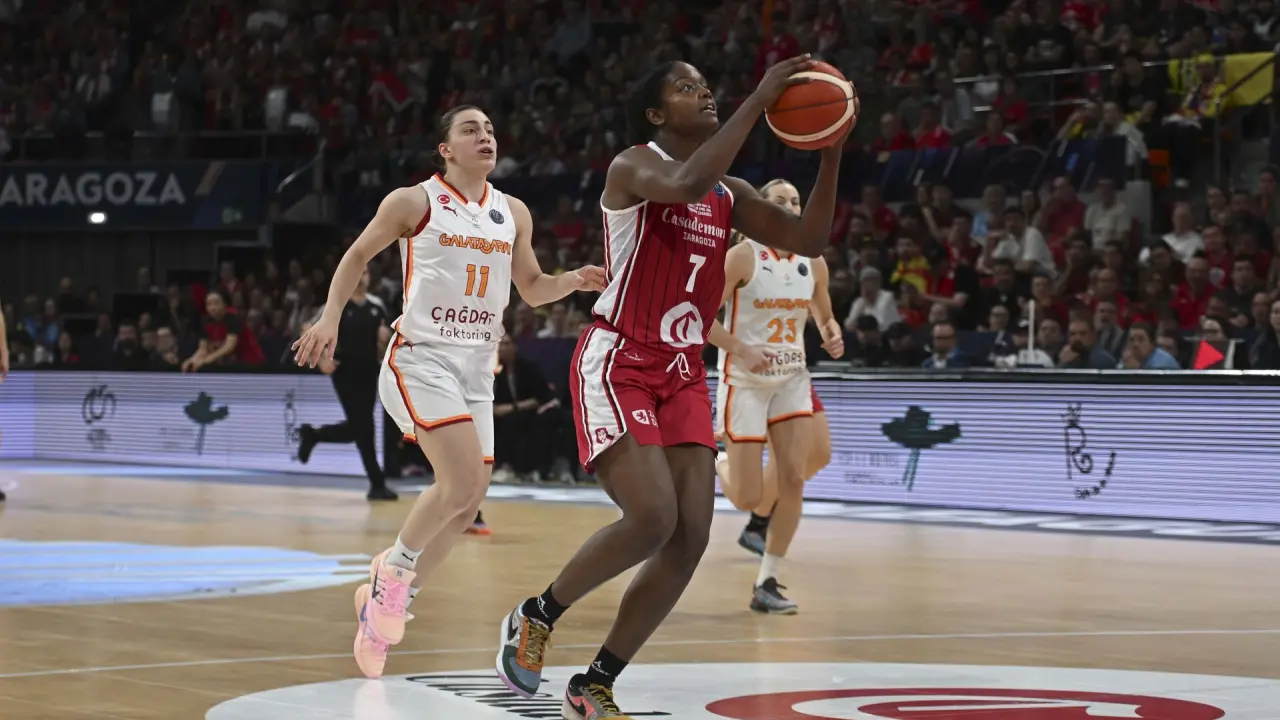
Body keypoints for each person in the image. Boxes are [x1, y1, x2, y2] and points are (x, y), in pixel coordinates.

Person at [496, 55, 852, 718]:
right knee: (653, 518)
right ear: (657, 113)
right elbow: (687, 183)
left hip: (683, 369)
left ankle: (595, 682)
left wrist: (830, 151)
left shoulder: (731, 194)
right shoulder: (634, 166)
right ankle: (536, 614)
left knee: (691, 538)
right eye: (687, 88)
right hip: (621, 359)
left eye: (707, 86)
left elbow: (810, 237)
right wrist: (759, 99)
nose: (705, 93)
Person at [292, 105, 606, 681]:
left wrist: (572, 281)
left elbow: (532, 287)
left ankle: (385, 609)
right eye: (470, 129)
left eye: (490, 129)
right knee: (460, 482)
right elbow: (357, 255)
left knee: (466, 501)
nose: (485, 136)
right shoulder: (414, 201)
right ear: (446, 149)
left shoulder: (513, 211)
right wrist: (329, 315)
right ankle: (392, 577)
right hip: (421, 358)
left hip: (477, 367)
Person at [706, 178, 844, 614]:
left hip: (791, 381)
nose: (790, 206)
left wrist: (830, 332)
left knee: (794, 478)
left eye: (796, 201)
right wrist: (742, 349)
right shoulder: (741, 257)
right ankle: (718, 458)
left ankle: (767, 580)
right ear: (761, 210)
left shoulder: (813, 261)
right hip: (745, 382)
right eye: (780, 200)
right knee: (747, 497)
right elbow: (700, 319)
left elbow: (823, 312)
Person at [295, 266, 398, 501]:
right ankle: (377, 483)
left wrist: (384, 341)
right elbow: (307, 329)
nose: (361, 278)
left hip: (370, 370)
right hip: (345, 371)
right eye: (357, 272)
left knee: (361, 426)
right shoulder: (336, 305)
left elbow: (386, 341)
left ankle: (314, 435)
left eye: (365, 273)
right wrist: (322, 359)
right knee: (365, 426)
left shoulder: (377, 305)